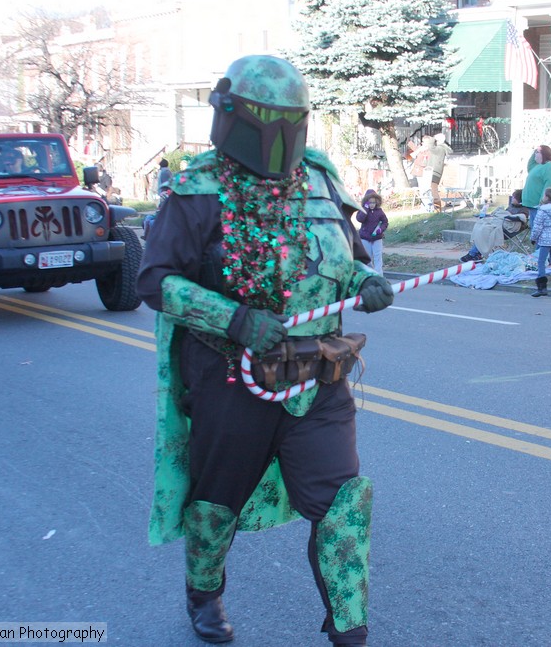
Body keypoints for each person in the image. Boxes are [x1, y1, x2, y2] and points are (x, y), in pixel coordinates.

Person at [136, 54, 393, 647]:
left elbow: (343, 261)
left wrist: (364, 283)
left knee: (342, 504)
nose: (278, 139)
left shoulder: (323, 184)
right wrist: (235, 318)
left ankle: (349, 632)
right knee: (216, 500)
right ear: (232, 117)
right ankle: (204, 595)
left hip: (316, 377)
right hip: (230, 379)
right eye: (264, 121)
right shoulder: (197, 192)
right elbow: (156, 280)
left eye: (289, 122)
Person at [460, 189, 524, 262]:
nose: (512, 199)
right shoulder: (512, 206)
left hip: (507, 227)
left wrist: (507, 217)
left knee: (485, 229)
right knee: (480, 225)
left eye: (513, 197)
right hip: (500, 222)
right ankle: (475, 253)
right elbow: (502, 213)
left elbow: (521, 218)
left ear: (519, 199)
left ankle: (473, 254)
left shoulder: (524, 209)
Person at [521, 145, 551, 231]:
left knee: (541, 233)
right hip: (533, 206)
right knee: (536, 232)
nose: (535, 154)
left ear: (544, 154)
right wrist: (536, 149)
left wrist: (543, 204)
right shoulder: (537, 166)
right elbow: (530, 164)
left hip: (541, 208)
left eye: (537, 152)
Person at [356, 189, 388, 275]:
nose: (372, 204)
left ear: (377, 202)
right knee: (368, 258)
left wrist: (381, 229)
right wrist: (365, 209)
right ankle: (370, 274)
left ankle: (379, 275)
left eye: (373, 202)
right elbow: (360, 219)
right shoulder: (363, 210)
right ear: (366, 202)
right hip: (365, 238)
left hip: (377, 238)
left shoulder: (380, 212)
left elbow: (385, 222)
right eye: (370, 202)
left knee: (378, 257)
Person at [427, 133, 453, 211]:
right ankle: (436, 208)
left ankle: (437, 209)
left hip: (435, 172)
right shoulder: (441, 148)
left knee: (434, 189)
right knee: (433, 189)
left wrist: (432, 138)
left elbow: (431, 147)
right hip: (435, 171)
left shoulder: (440, 149)